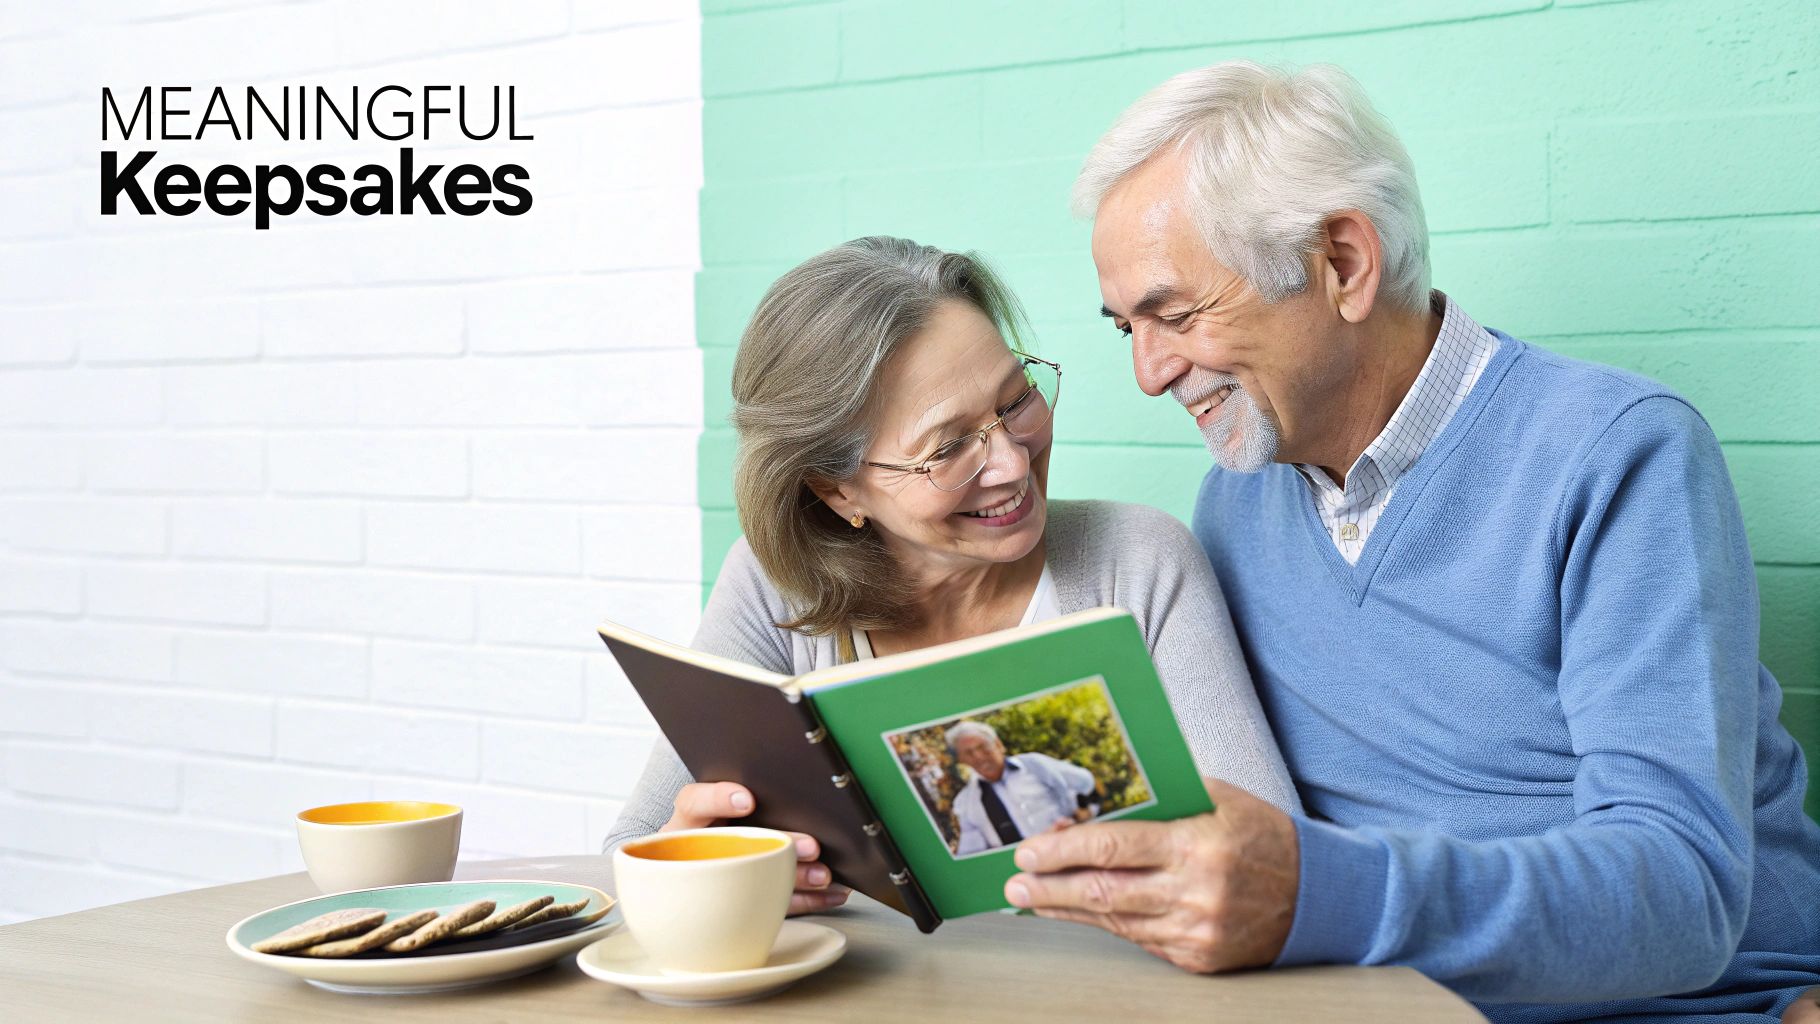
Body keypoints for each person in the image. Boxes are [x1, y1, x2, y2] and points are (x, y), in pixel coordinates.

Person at [1000, 60, 1820, 1023]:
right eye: (1127, 329)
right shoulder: (1238, 501)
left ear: (1344, 264)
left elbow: (1686, 893)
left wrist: (1325, 894)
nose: (1149, 372)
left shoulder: (1616, 455)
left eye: (1175, 316)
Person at [603, 236, 1302, 916]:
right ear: (837, 490)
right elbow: (627, 851)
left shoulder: (1137, 562)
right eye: (948, 447)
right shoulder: (775, 588)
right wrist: (698, 872)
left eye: (1016, 400)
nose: (1012, 463)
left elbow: (1275, 855)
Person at [944, 720, 1098, 855]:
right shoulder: (965, 803)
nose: (978, 756)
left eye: (983, 746)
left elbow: (1086, 783)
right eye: (968, 753)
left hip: (1071, 848)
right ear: (961, 760)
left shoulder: (1034, 765)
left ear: (998, 744)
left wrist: (1084, 812)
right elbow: (975, 852)